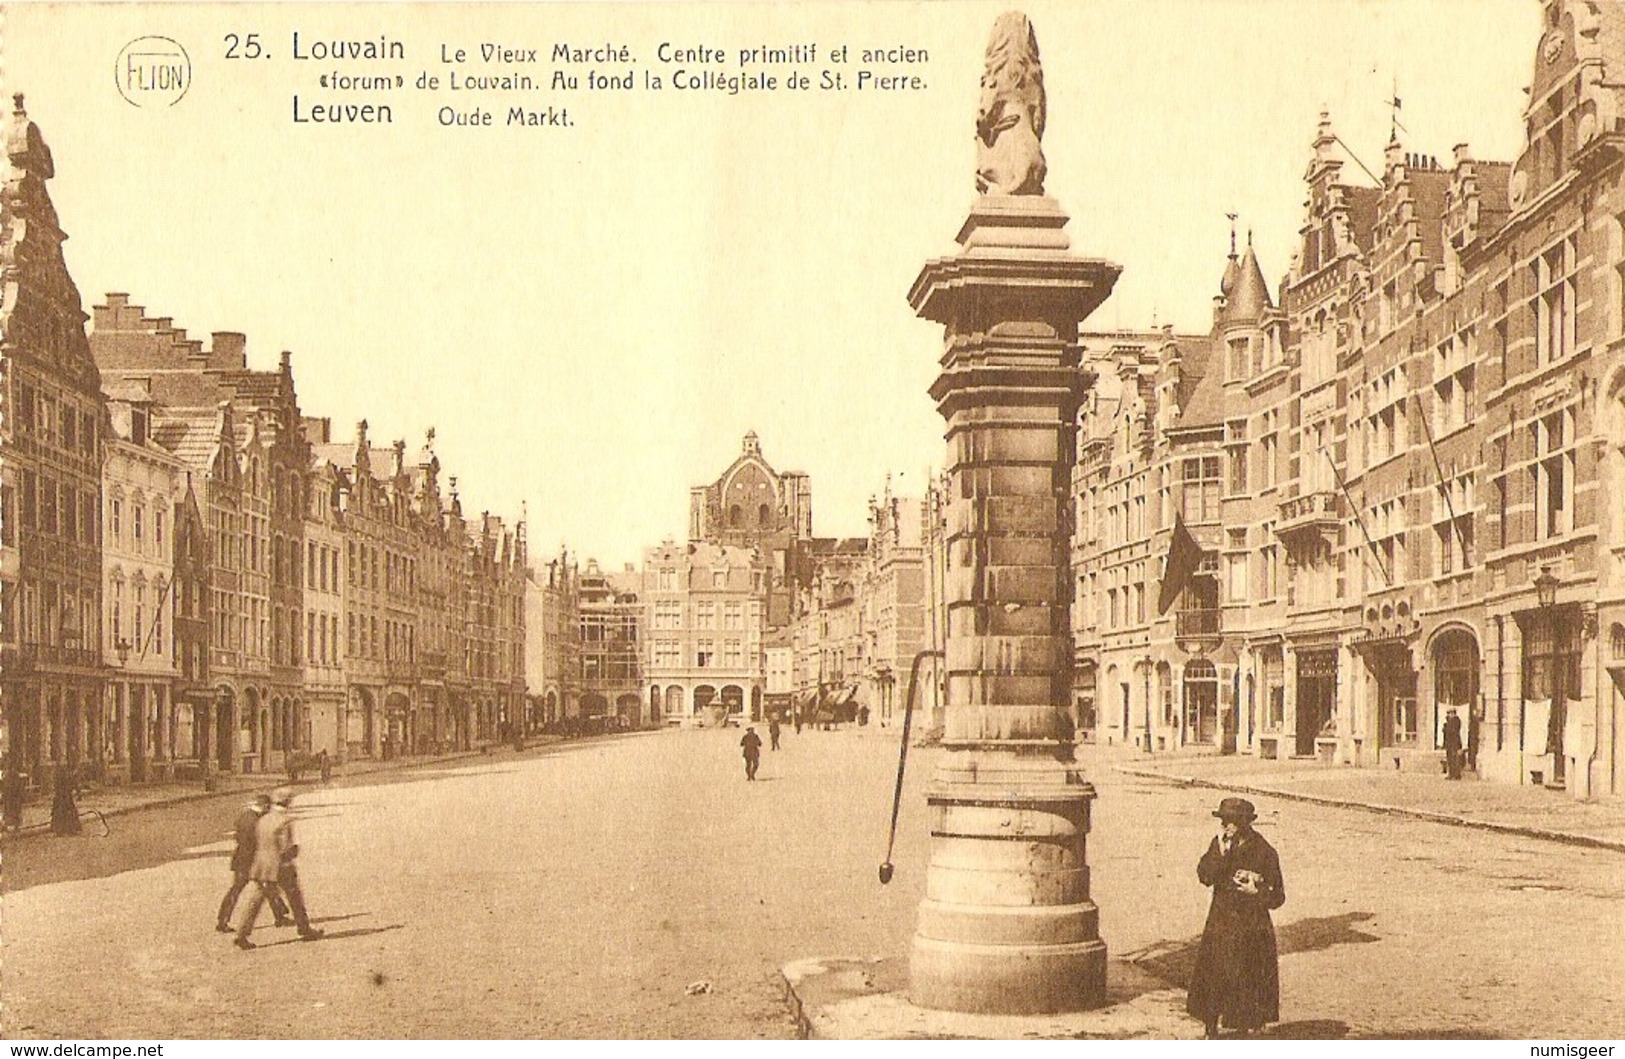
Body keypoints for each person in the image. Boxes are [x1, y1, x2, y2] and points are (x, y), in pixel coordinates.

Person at [1187, 797, 1285, 1039]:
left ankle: (1245, 1028)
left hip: (1252, 925)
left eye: (1231, 822)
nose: (1226, 826)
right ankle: (1210, 1025)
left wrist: (1257, 890)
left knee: (1247, 976)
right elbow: (1205, 876)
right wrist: (1219, 852)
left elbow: (1278, 896)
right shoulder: (1219, 844)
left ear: (1244, 823)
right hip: (1221, 921)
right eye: (1223, 821)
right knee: (1214, 973)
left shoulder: (1264, 851)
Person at [235, 787, 323, 949]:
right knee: (295, 898)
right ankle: (305, 930)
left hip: (262, 866)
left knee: (255, 901)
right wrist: (294, 852)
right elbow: (286, 849)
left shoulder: (264, 819)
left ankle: (241, 935)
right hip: (281, 867)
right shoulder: (284, 821)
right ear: (288, 802)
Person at [217, 793, 292, 933]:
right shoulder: (256, 821)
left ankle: (280, 915)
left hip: (241, 860)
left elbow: (238, 837)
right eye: (267, 808)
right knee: (254, 889)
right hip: (250, 861)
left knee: (263, 888)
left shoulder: (244, 817)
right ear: (263, 806)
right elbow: (255, 842)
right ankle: (224, 922)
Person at [1442, 708, 1464, 779]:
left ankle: (1456, 774)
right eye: (1448, 714)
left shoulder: (1455, 721)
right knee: (1450, 759)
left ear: (1453, 714)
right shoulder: (1449, 722)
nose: (1448, 715)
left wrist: (1446, 727)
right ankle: (1451, 774)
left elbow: (1452, 732)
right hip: (1449, 743)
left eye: (1450, 714)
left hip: (1454, 743)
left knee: (1454, 759)